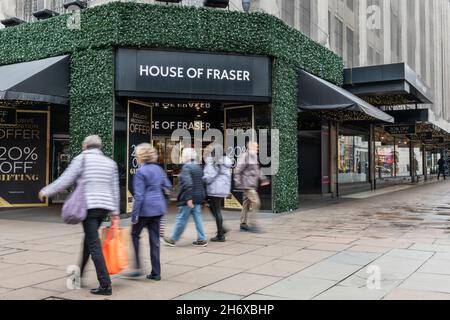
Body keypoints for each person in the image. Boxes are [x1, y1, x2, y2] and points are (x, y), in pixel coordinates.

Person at [39, 135, 120, 296]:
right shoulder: (110, 163)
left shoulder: (81, 159)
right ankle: (79, 276)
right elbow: (115, 188)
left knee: (93, 245)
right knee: (88, 242)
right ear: (99, 147)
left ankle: (105, 285)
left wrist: (46, 191)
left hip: (89, 207)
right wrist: (115, 213)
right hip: (104, 207)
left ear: (85, 146)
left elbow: (66, 179)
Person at [127, 143, 172, 281]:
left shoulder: (141, 171)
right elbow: (168, 186)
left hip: (145, 210)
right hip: (158, 208)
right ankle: (156, 272)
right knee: (155, 240)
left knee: (134, 234)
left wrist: (134, 215)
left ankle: (138, 267)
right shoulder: (158, 169)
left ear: (141, 156)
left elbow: (139, 196)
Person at [164, 148, 207, 247]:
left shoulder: (186, 168)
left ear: (185, 157)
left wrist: (188, 198)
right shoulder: (198, 167)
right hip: (198, 196)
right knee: (197, 217)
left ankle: (173, 239)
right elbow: (203, 182)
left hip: (188, 197)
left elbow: (187, 184)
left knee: (181, 218)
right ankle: (202, 239)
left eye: (182, 155)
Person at [234, 141, 269, 233]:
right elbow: (238, 170)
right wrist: (238, 183)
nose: (257, 149)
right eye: (255, 147)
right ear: (250, 147)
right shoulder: (245, 156)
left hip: (252, 184)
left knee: (246, 204)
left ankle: (243, 224)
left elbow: (257, 170)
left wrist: (263, 179)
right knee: (256, 202)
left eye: (257, 147)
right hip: (247, 185)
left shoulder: (254, 156)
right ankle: (253, 224)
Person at [203, 150, 233, 242]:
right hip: (223, 189)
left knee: (216, 210)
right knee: (214, 209)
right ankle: (222, 229)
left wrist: (203, 178)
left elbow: (209, 177)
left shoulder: (213, 162)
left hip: (215, 189)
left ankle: (220, 235)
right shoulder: (226, 162)